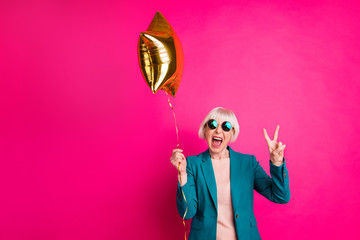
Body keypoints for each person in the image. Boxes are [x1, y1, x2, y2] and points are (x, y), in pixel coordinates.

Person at [170, 107, 290, 240]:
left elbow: (281, 196)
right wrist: (182, 174)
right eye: (212, 124)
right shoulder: (193, 163)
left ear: (232, 132)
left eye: (226, 126)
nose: (218, 130)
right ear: (205, 129)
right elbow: (187, 213)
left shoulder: (247, 163)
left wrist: (277, 163)